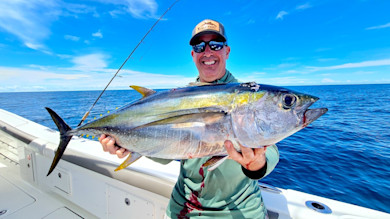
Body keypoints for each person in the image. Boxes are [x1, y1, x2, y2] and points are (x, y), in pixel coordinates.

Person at [100, 19, 279, 219]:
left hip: (239, 212)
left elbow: (270, 150)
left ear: (227, 52)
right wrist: (127, 144)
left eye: (216, 45)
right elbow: (163, 151)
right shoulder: (178, 97)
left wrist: (257, 165)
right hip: (182, 209)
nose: (208, 52)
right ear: (193, 55)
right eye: (200, 46)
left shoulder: (248, 95)